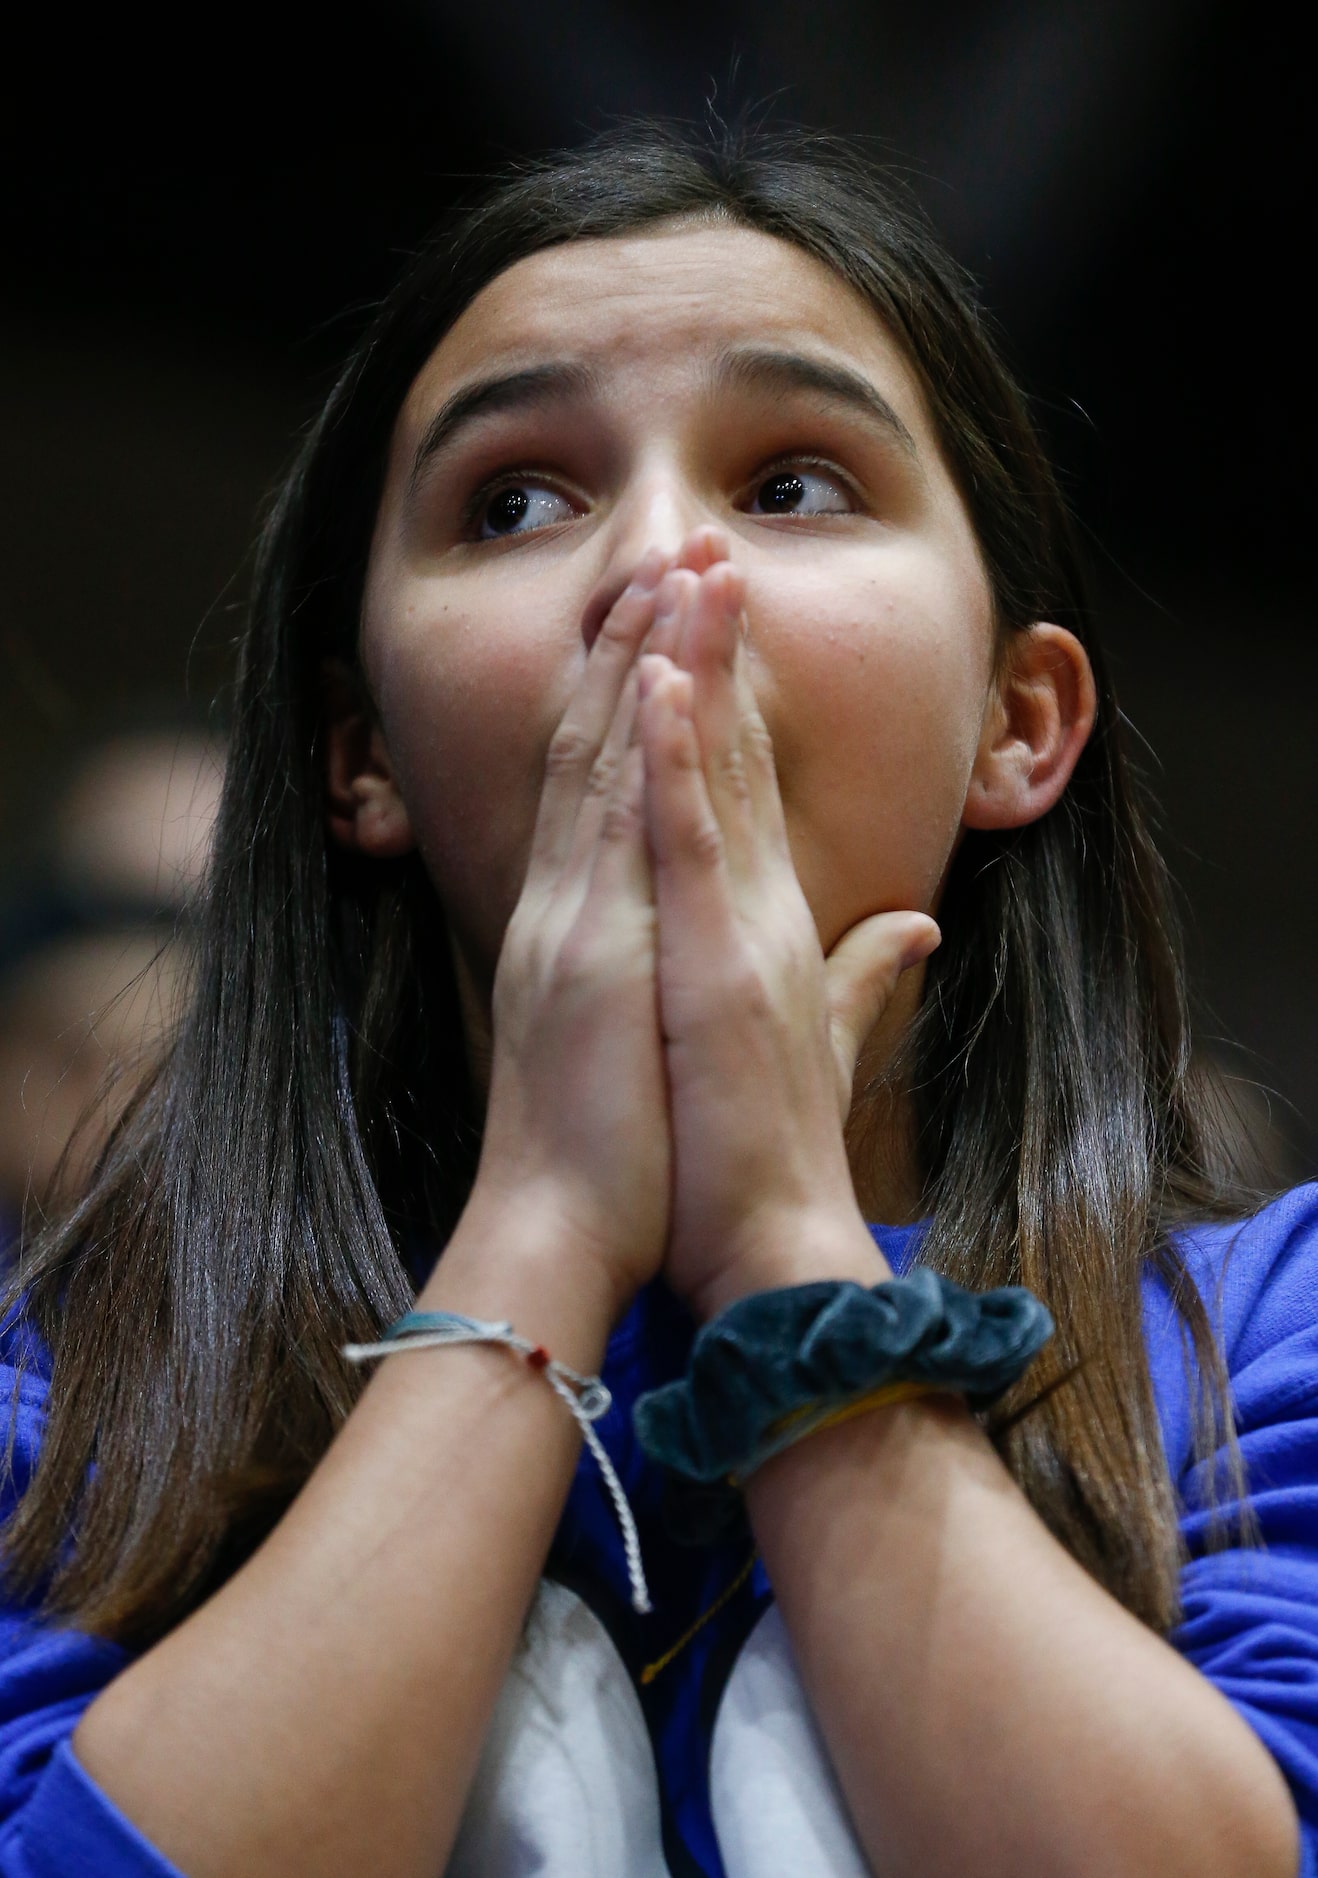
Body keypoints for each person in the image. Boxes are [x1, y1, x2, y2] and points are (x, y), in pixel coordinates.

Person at [2, 122, 1315, 1878]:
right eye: (516, 501)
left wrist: (781, 1236)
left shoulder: (1273, 1333)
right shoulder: (76, 1364)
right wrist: (547, 1214)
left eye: (789, 485)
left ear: (1019, 724)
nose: (656, 568)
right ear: (361, 757)